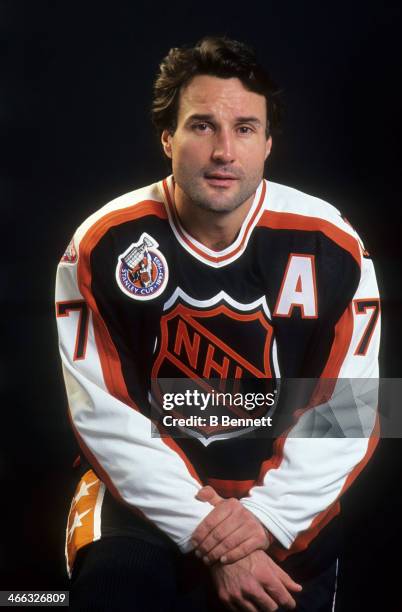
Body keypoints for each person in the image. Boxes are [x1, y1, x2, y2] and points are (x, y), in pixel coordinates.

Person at [55, 36, 380, 611]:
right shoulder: (103, 242)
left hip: (283, 496)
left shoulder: (333, 242)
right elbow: (101, 412)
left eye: (246, 128)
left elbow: (354, 408)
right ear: (167, 138)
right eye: (202, 126)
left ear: (269, 143)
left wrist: (264, 518)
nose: (225, 150)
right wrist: (215, 538)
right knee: (114, 586)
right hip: (142, 501)